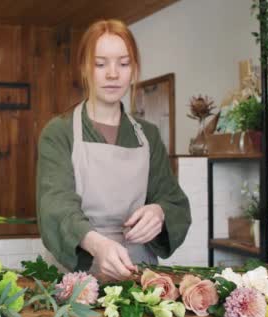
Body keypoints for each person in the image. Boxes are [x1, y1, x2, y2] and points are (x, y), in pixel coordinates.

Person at [36, 19, 191, 282]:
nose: (112, 73)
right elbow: (55, 205)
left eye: (123, 63)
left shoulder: (148, 135)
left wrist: (159, 212)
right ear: (85, 68)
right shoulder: (59, 132)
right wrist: (98, 245)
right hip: (77, 276)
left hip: (138, 273)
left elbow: (173, 200)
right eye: (100, 64)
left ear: (135, 69)